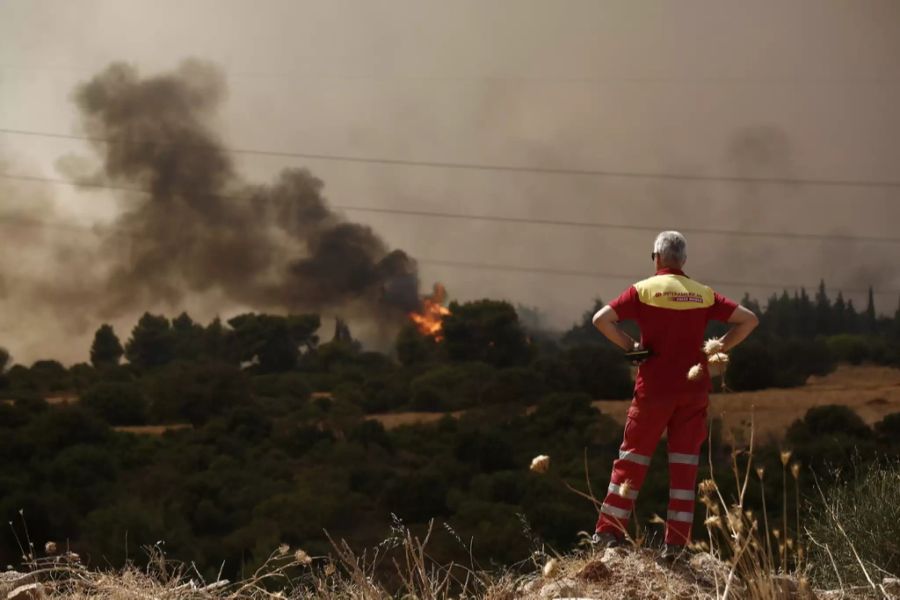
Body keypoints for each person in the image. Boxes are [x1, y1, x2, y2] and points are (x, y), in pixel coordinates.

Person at [590, 231, 758, 561]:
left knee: (632, 459)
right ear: (683, 261)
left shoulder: (643, 290)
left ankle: (608, 533)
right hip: (693, 393)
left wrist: (631, 347)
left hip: (653, 391)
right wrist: (716, 349)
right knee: (685, 467)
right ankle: (677, 546)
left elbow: (601, 319)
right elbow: (749, 320)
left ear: (656, 258)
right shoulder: (702, 294)